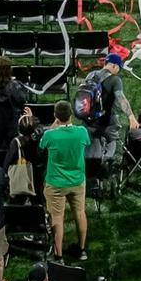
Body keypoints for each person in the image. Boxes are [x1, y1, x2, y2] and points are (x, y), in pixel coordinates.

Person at [38, 100, 90, 260]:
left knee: (57, 218)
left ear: (56, 116)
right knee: (80, 213)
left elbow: (42, 146)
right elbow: (86, 143)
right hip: (77, 181)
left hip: (56, 183)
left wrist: (55, 124)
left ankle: (58, 254)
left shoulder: (50, 135)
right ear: (71, 115)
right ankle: (82, 250)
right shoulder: (81, 132)